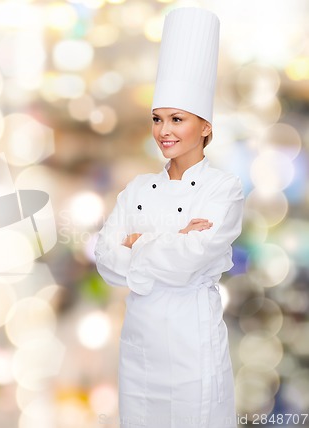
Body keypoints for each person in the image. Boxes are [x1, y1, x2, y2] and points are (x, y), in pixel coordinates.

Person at [94, 8, 244, 428]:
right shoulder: (138, 188)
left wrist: (136, 242)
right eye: (158, 119)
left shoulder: (223, 188)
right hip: (140, 349)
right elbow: (105, 259)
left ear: (205, 127)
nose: (164, 131)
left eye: (177, 119)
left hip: (192, 346)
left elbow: (193, 259)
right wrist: (173, 239)